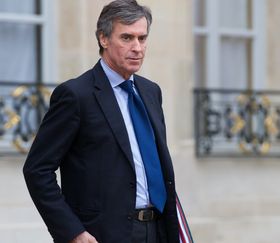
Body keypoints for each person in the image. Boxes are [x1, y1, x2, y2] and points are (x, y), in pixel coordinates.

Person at [23, 0, 179, 242]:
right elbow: (37, 170)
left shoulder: (151, 92)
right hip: (102, 234)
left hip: (157, 230)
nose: (137, 47)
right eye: (127, 38)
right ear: (103, 39)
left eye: (142, 38)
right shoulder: (75, 95)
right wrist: (72, 231)